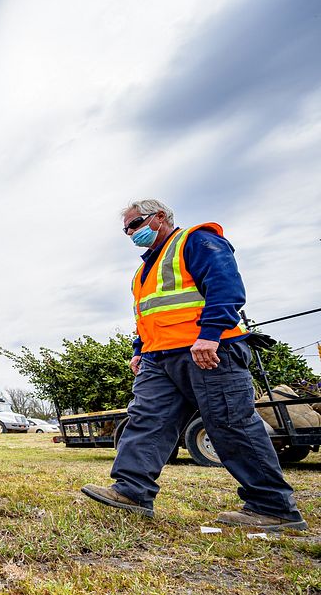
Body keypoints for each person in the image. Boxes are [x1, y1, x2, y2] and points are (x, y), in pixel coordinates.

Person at [81, 199, 306, 532]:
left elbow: (225, 287)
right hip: (158, 359)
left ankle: (273, 507)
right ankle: (132, 492)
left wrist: (211, 334)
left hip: (207, 351)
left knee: (231, 424)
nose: (130, 233)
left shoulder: (197, 241)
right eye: (126, 229)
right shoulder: (144, 272)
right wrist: (139, 349)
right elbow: (149, 316)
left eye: (135, 224)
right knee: (146, 422)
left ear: (159, 218)